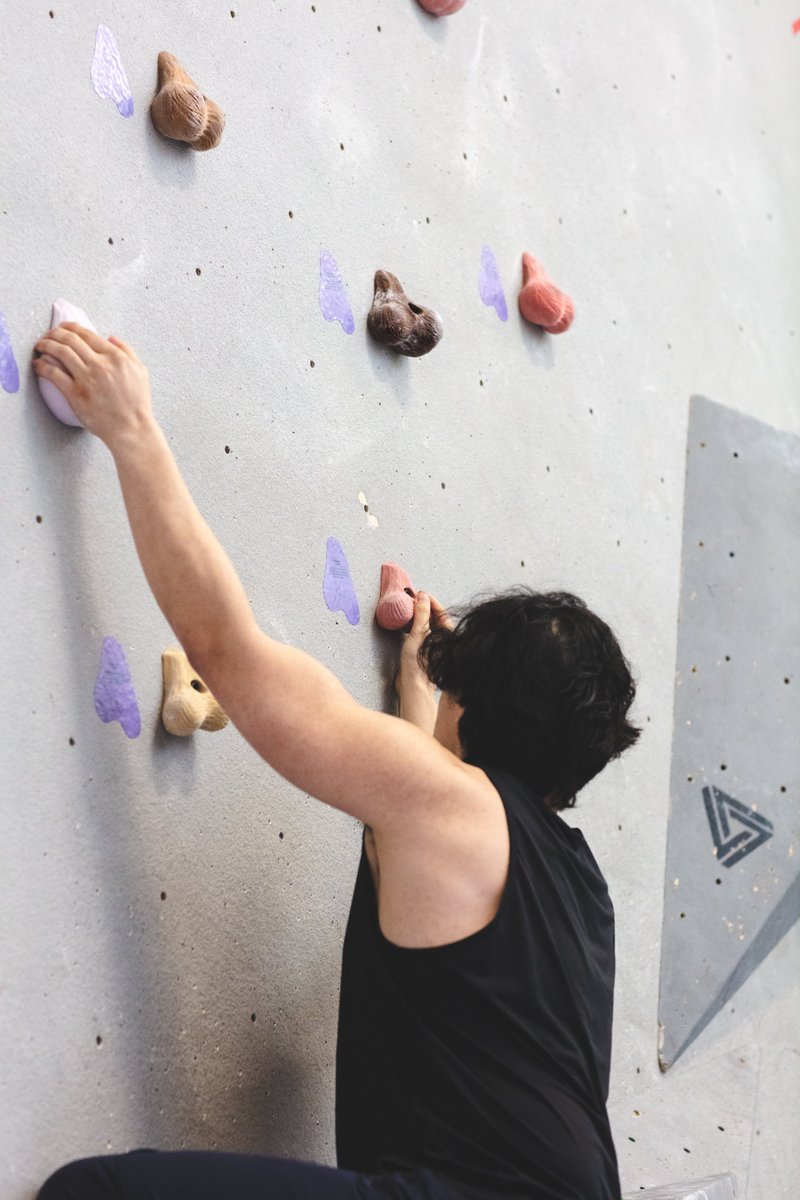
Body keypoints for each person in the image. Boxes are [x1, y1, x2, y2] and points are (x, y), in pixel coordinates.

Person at [33, 324, 640, 1200]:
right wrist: (421, 693)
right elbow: (436, 846)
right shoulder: (579, 891)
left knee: (96, 1196)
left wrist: (133, 431)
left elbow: (227, 654)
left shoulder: (451, 808)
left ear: (479, 716)